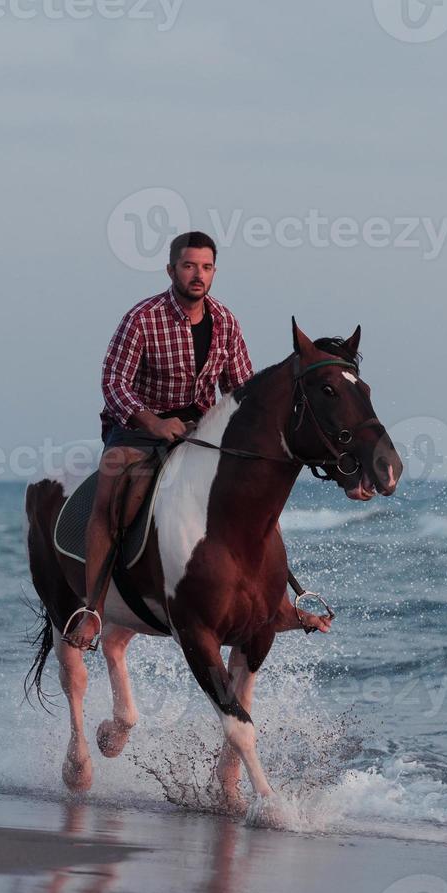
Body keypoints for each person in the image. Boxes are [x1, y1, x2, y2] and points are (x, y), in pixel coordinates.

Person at [62, 231, 329, 650]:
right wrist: (154, 422)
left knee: (251, 499)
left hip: (201, 432)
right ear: (171, 270)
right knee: (113, 492)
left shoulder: (225, 322)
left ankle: (276, 603)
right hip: (136, 428)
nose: (197, 275)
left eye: (205, 267)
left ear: (214, 272)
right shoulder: (142, 318)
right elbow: (113, 383)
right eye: (188, 266)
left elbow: (241, 389)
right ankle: (92, 610)